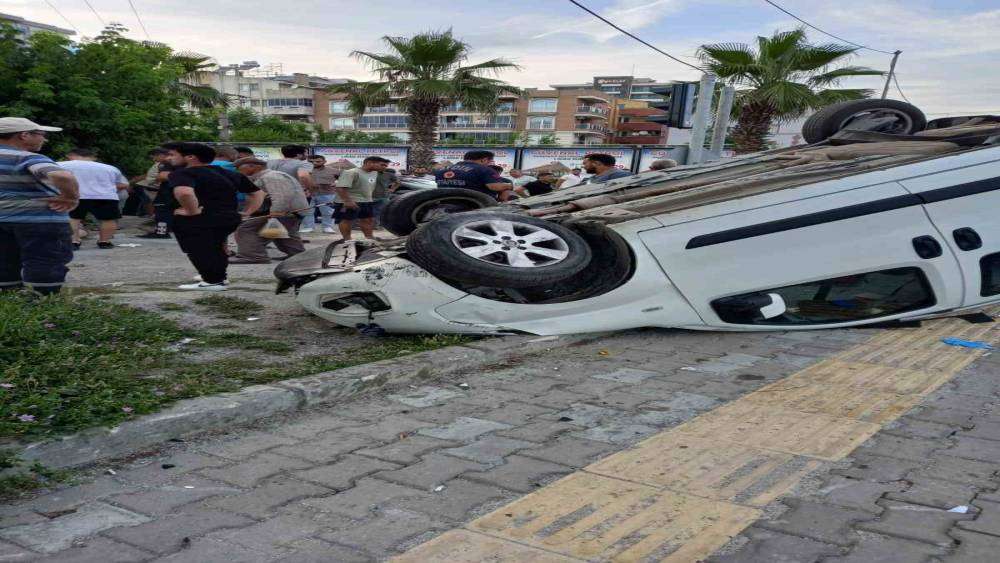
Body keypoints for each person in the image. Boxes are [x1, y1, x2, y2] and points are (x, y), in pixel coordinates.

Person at [162, 142, 263, 291]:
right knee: (216, 248)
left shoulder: (183, 173)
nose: (168, 158)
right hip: (228, 217)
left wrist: (191, 210)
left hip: (200, 219)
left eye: (172, 155)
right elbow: (257, 193)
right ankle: (219, 277)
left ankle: (213, 281)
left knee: (199, 249)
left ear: (190, 157)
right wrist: (248, 212)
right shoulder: (228, 173)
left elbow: (184, 192)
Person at [0, 117, 79, 295]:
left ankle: (8, 301)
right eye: (41, 135)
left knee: (4, 262)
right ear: (24, 135)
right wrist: (70, 197)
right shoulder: (27, 157)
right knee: (44, 261)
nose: (45, 139)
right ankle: (44, 302)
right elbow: (63, 176)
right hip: (39, 220)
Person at [230, 158, 308, 263]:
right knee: (280, 233)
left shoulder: (271, 176)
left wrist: (277, 212)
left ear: (253, 166)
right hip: (288, 212)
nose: (236, 170)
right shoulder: (268, 176)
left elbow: (281, 195)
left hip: (283, 212)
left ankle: (253, 256)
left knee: (247, 228)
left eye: (238, 167)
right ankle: (298, 256)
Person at [58, 148, 129, 250]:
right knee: (108, 219)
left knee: (73, 218)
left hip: (75, 195)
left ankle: (74, 241)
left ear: (70, 155)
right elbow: (122, 183)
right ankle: (104, 241)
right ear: (92, 157)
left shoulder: (60, 165)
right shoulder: (110, 168)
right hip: (106, 196)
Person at [334, 156, 388, 241]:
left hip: (366, 201)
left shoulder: (374, 173)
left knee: (368, 220)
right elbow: (340, 187)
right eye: (382, 165)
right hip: (350, 201)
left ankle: (369, 237)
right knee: (347, 220)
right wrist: (347, 201)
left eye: (385, 165)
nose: (385, 167)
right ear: (369, 163)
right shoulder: (351, 172)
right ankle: (347, 239)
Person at [267, 145, 315, 233]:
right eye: (306, 152)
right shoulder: (303, 163)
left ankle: (273, 238)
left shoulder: (270, 162)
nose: (307, 155)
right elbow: (303, 176)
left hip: (270, 194)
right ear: (299, 154)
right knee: (294, 218)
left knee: (273, 217)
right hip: (293, 196)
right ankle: (290, 237)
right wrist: (310, 190)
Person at [434, 150, 513, 201]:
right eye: (490, 161)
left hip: (445, 204)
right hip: (476, 206)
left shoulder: (442, 170)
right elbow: (494, 186)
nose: (490, 164)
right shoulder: (484, 169)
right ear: (484, 160)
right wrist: (510, 186)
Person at [302, 155, 338, 233]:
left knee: (328, 211)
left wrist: (337, 183)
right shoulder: (303, 170)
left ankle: (327, 227)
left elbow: (344, 179)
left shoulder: (333, 170)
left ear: (324, 162)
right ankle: (308, 227)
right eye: (311, 161)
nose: (314, 163)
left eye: (318, 161)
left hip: (327, 193)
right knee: (307, 211)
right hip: (307, 193)